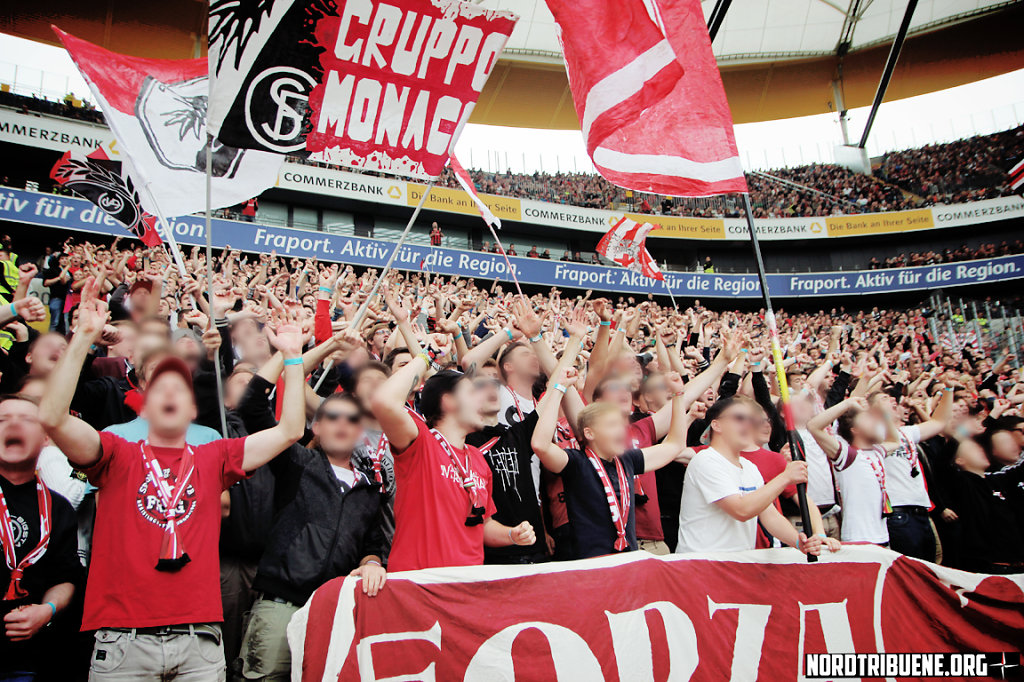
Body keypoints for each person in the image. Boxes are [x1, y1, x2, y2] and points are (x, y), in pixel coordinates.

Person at [39, 278, 308, 681]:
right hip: (124, 640)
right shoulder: (115, 449)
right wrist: (84, 338)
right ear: (144, 399)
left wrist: (291, 355)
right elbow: (53, 418)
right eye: (159, 384)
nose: (169, 391)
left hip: (199, 639)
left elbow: (289, 431)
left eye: (179, 386)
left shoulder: (214, 454)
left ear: (191, 407)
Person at [235, 333, 388, 680]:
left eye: (352, 419)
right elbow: (251, 406)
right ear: (316, 425)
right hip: (279, 607)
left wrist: (372, 563)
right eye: (332, 416)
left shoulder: (369, 489)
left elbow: (372, 546)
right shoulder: (296, 463)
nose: (342, 424)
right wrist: (310, 350)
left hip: (332, 611)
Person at [369, 355, 535, 571]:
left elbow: (482, 525)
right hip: (421, 585)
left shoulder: (477, 459)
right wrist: (424, 357)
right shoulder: (421, 442)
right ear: (448, 401)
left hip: (467, 585)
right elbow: (384, 401)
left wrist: (511, 534)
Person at [531, 364, 695, 559]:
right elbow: (540, 445)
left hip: (627, 562)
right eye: (611, 425)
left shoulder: (627, 459)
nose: (621, 430)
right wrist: (559, 389)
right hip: (592, 567)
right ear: (589, 432)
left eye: (621, 424)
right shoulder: (576, 463)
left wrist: (678, 396)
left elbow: (675, 445)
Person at [677, 396, 827, 556]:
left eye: (752, 420)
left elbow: (770, 516)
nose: (749, 425)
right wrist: (785, 477)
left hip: (737, 564)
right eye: (740, 418)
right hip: (702, 566)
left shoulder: (749, 467)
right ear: (716, 425)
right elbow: (741, 510)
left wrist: (798, 542)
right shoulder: (706, 460)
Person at [1, 395, 81, 682]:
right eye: (3, 419)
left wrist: (46, 611)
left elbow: (66, 577)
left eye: (27, 419)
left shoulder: (57, 507)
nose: (14, 425)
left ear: (46, 438)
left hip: (30, 662)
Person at [806, 397, 902, 546]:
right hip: (858, 537)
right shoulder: (848, 455)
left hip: (882, 535)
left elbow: (895, 441)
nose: (875, 422)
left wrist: (885, 414)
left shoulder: (877, 451)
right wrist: (847, 404)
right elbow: (813, 426)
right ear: (855, 430)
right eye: (868, 420)